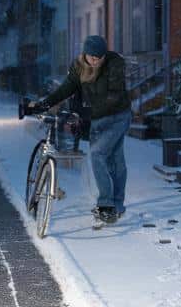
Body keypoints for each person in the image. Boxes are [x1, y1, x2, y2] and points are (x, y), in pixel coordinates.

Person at [29, 34, 132, 224]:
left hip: (118, 117)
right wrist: (45, 104)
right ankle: (117, 207)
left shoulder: (114, 63)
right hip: (97, 119)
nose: (96, 61)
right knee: (115, 160)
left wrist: (86, 116)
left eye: (100, 57)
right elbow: (66, 88)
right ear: (85, 54)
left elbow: (114, 96)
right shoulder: (78, 67)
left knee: (98, 154)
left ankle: (106, 205)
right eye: (93, 57)